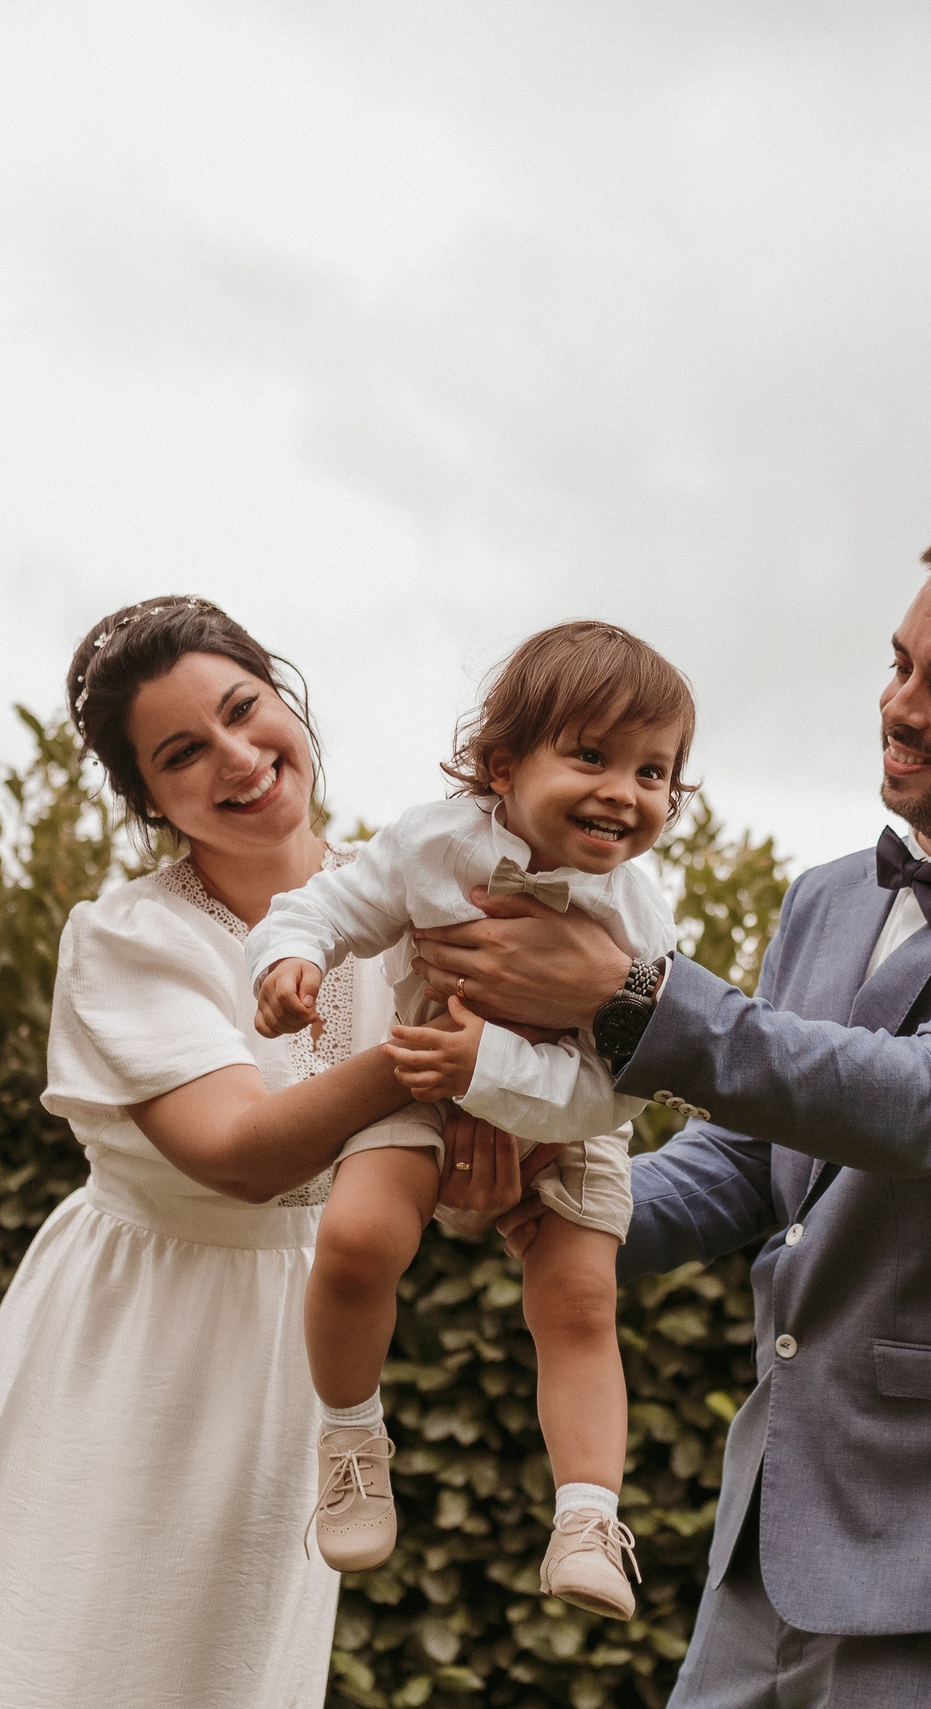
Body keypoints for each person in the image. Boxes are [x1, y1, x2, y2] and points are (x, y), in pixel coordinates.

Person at [412, 522, 931, 1708]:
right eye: (901, 664)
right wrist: (547, 1192)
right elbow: (742, 1157)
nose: (902, 705)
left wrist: (627, 995)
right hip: (775, 1528)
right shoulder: (826, 898)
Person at [0, 596, 530, 1709]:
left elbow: (429, 1167)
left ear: (285, 700)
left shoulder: (418, 904)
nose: (237, 757)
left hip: (297, 1343)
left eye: (243, 710)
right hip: (131, 1333)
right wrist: (445, 1069)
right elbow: (238, 1153)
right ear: (148, 800)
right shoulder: (131, 938)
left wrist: (485, 1150)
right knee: (59, 1643)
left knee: (221, 1665)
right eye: (182, 752)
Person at [244, 620, 692, 1619]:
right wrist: (289, 962)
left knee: (578, 1303)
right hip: (420, 1083)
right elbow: (319, 903)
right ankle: (351, 1434)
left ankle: (587, 1517)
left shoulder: (640, 918)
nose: (627, 790)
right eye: (593, 756)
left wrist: (491, 1067)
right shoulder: (430, 845)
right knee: (355, 1238)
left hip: (572, 1115)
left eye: (655, 771)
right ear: (502, 763)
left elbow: (626, 1082)